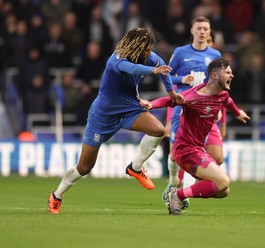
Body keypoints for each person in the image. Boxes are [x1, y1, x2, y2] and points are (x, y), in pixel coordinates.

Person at [47, 28, 184, 214]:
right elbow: (132, 69)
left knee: (158, 130)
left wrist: (171, 92)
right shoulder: (117, 59)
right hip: (103, 115)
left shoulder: (149, 58)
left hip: (129, 108)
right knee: (85, 167)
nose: (149, 53)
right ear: (136, 48)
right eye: (146, 49)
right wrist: (153, 70)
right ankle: (57, 195)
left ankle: (135, 168)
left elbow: (164, 71)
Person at [141, 58, 250, 215]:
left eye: (231, 73)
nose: (231, 75)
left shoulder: (222, 95)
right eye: (227, 72)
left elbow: (228, 101)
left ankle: (181, 193)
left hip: (198, 150)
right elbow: (169, 100)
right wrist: (151, 104)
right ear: (214, 75)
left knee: (223, 191)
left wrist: (237, 112)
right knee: (223, 181)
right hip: (185, 150)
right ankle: (177, 195)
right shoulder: (193, 97)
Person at [162, 17, 223, 209]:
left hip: (205, 110)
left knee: (215, 156)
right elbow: (167, 76)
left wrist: (219, 107)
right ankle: (175, 185)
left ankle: (184, 189)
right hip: (184, 108)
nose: (202, 32)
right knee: (174, 155)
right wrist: (182, 79)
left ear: (210, 31)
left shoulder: (215, 54)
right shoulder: (181, 53)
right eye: (199, 29)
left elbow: (219, 83)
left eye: (206, 29)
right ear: (192, 30)